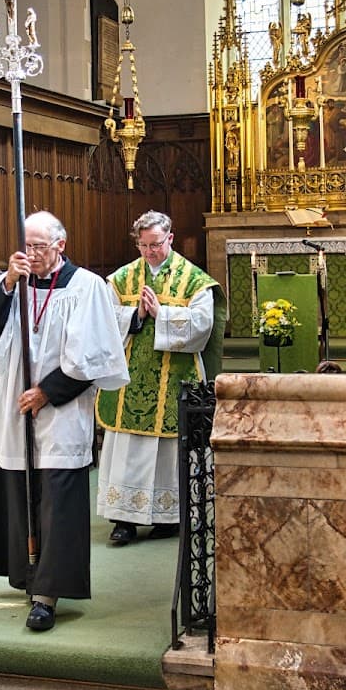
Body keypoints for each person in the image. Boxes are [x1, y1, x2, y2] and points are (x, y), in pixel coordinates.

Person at [0, 211, 129, 632]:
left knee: (56, 499)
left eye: (40, 246)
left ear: (61, 245)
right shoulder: (14, 282)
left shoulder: (86, 287)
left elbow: (94, 356)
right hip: (14, 408)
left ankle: (47, 595)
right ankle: (27, 575)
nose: (32, 253)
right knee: (22, 493)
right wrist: (6, 282)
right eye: (26, 245)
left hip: (60, 410)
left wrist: (47, 393)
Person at [95, 211, 227, 545]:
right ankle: (122, 519)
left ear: (170, 238)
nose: (150, 251)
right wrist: (135, 315)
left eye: (156, 244)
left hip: (173, 384)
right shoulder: (121, 279)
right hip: (129, 384)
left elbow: (202, 326)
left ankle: (168, 518)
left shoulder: (194, 280)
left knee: (166, 452)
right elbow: (104, 321)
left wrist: (161, 314)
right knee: (127, 451)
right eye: (143, 245)